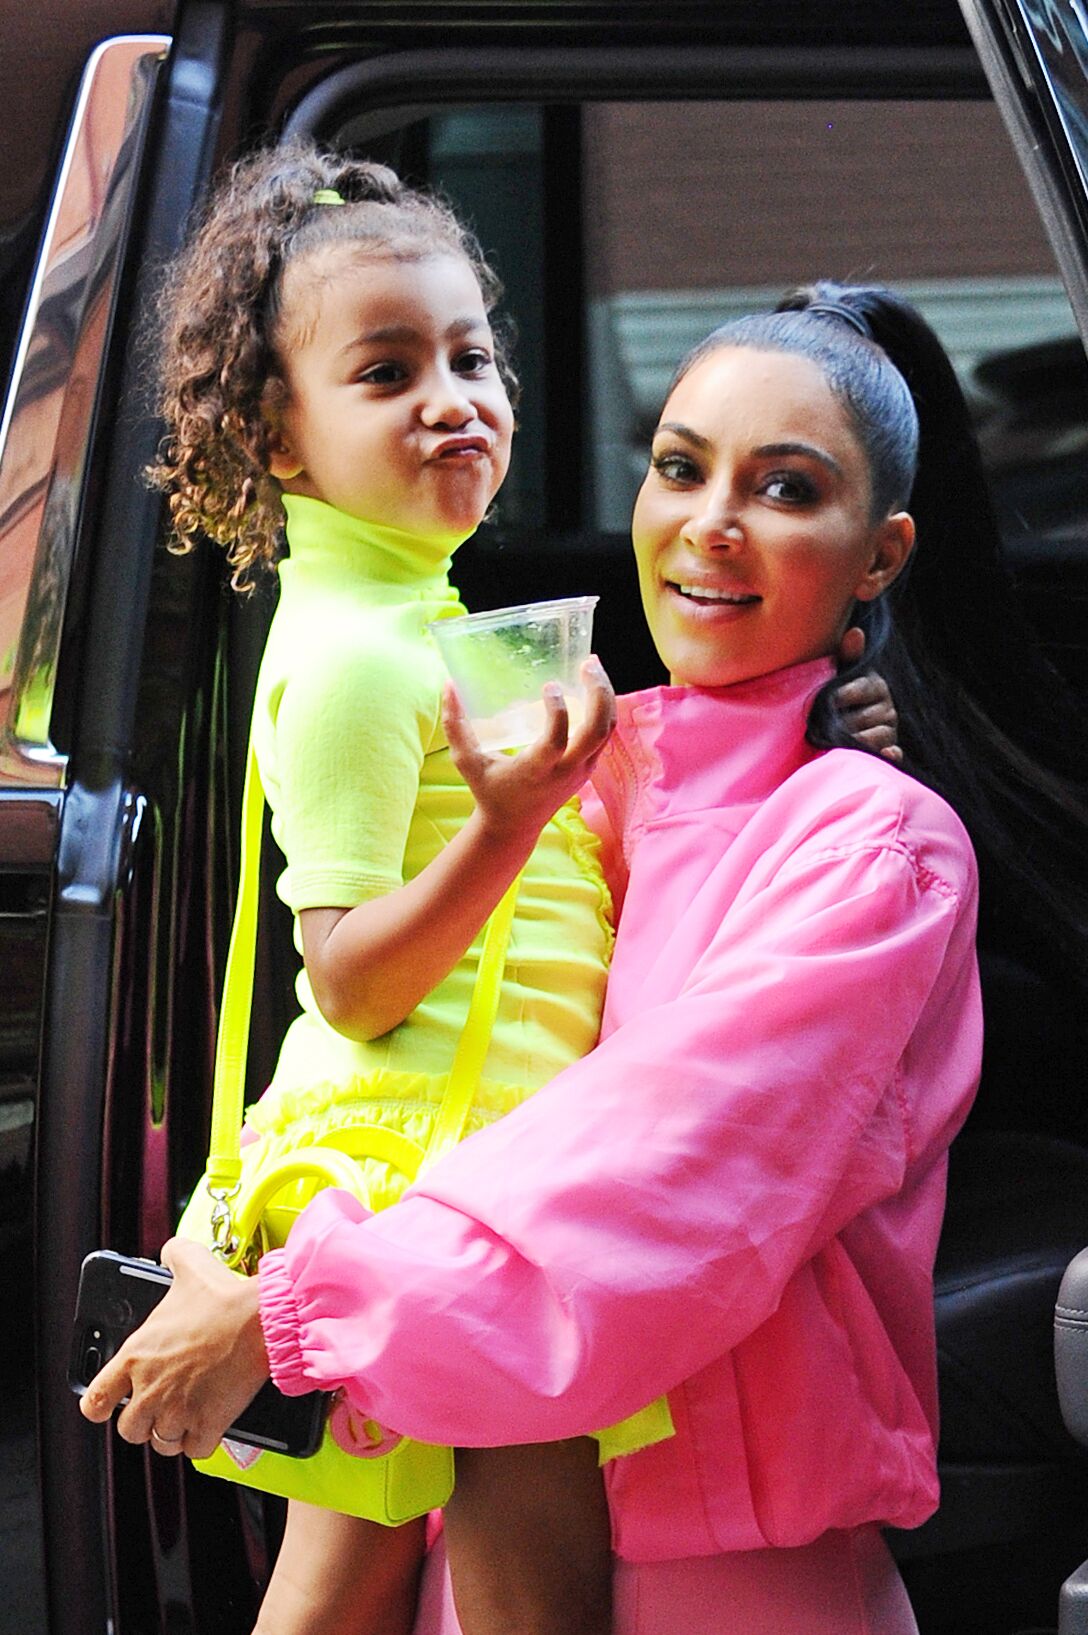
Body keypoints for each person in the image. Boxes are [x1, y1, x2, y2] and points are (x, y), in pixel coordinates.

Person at [84, 228, 933, 1633]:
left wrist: (293, 1306)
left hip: (733, 1572)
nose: (714, 522)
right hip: (450, 1431)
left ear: (879, 555)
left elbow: (661, 1174)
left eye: (788, 489)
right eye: (678, 468)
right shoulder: (584, 759)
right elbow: (373, 985)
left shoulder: (867, 841)